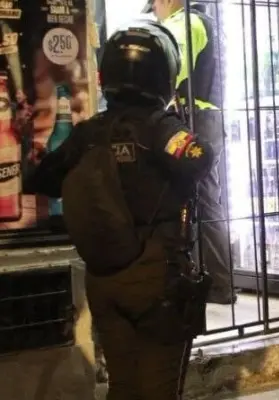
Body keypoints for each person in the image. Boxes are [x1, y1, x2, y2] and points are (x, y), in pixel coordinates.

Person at [31, 19, 214, 400]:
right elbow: (199, 157)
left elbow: (43, 178)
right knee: (157, 391)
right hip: (156, 279)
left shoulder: (89, 132)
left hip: (103, 278)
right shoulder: (161, 128)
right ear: (163, 75)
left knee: (123, 388)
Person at [146, 0, 235, 305]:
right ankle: (215, 282)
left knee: (193, 200)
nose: (155, 12)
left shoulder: (185, 23)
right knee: (206, 200)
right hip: (207, 120)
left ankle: (210, 283)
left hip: (193, 120)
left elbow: (169, 70)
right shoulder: (206, 22)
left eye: (154, 6)